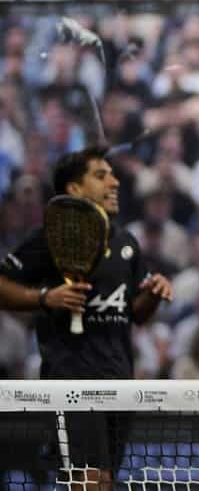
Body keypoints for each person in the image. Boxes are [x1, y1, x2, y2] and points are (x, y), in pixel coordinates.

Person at [0, 146, 174, 489]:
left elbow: (135, 315)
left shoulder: (126, 242)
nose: (115, 182)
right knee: (88, 482)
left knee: (103, 482)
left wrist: (153, 293)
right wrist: (45, 298)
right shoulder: (49, 238)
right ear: (74, 189)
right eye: (101, 175)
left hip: (120, 382)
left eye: (112, 174)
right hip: (73, 383)